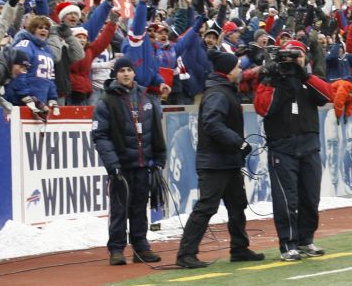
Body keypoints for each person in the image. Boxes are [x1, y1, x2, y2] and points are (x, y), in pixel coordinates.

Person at [174, 50, 265, 268]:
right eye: (237, 67)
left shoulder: (223, 90)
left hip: (226, 160)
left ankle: (239, 248)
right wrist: (238, 142)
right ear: (228, 71)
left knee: (237, 205)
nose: (241, 70)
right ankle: (185, 254)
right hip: (215, 162)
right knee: (206, 207)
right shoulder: (218, 94)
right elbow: (212, 124)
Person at [254, 40, 335, 261]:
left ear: (305, 58)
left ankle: (306, 239)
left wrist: (304, 76)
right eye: (290, 56)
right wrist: (272, 78)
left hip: (309, 146)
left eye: (298, 55)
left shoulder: (309, 80)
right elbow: (263, 108)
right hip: (282, 147)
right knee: (286, 199)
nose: (294, 60)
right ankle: (288, 243)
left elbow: (329, 96)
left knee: (311, 197)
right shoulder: (271, 80)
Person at [91, 58, 166, 266]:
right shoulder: (106, 101)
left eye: (129, 70)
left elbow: (156, 131)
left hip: (143, 165)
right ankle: (116, 249)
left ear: (134, 73)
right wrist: (112, 164)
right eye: (121, 70)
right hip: (121, 167)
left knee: (140, 207)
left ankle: (141, 247)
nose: (126, 74)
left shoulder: (146, 98)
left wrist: (159, 158)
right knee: (119, 209)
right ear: (115, 74)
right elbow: (100, 136)